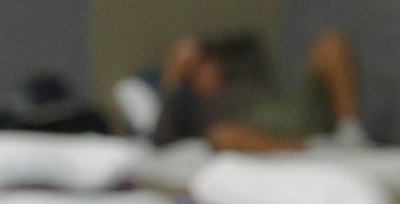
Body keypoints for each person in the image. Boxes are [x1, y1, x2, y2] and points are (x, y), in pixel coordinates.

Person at [151, 27, 368, 152]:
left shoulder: (242, 75)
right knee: (220, 138)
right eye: (196, 71)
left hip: (288, 109)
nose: (207, 69)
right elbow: (161, 139)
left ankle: (350, 132)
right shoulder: (189, 105)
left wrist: (200, 45)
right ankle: (314, 149)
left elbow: (251, 42)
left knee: (331, 45)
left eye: (207, 62)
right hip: (248, 129)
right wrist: (172, 75)